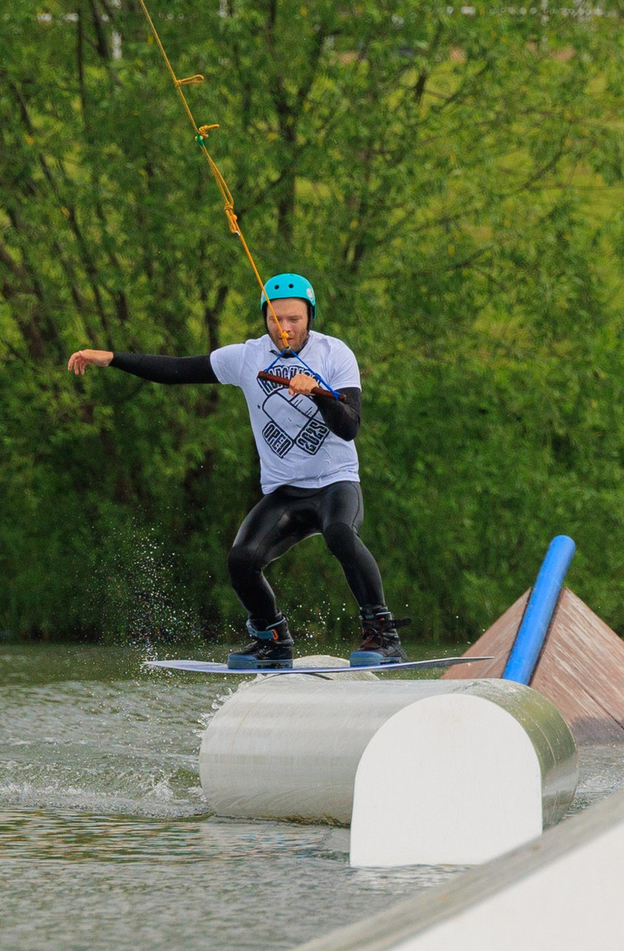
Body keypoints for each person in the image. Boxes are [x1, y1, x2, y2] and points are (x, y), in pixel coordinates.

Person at [66, 273, 406, 668]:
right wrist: (111, 358)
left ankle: (383, 635)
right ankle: (273, 641)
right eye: (276, 319)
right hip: (285, 491)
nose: (285, 328)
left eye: (294, 319)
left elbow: (349, 427)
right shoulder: (247, 357)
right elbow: (178, 369)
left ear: (309, 318)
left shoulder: (335, 355)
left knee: (339, 534)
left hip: (335, 483)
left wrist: (316, 391)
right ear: (265, 318)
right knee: (242, 559)